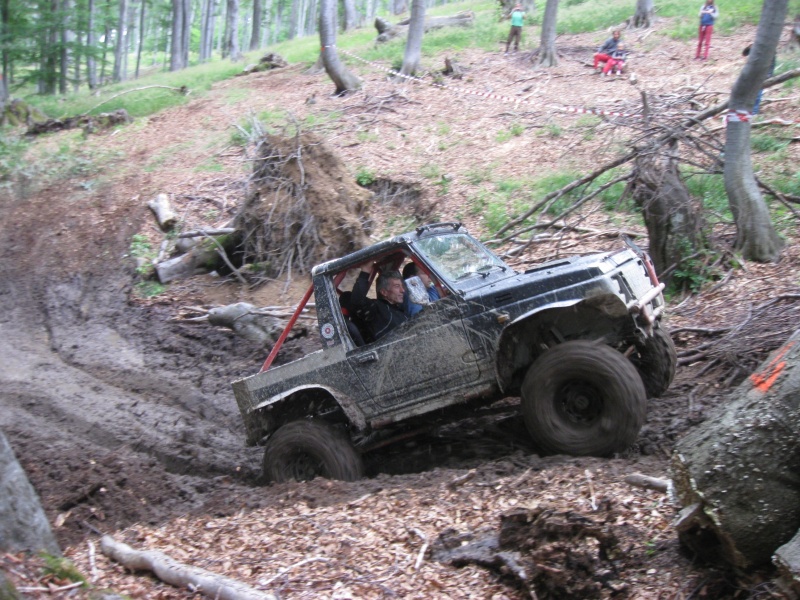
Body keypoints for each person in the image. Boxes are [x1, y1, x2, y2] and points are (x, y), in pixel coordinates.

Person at [350, 266, 408, 341]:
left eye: (402, 286)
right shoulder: (378, 309)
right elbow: (358, 301)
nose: (402, 290)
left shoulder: (396, 308)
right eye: (397, 286)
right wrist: (366, 270)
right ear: (384, 292)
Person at [742, 44, 776, 115]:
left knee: (757, 93)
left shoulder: (770, 50)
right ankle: (749, 110)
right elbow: (744, 53)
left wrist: (769, 75)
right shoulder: (757, 46)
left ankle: (754, 112)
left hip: (762, 75)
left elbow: (772, 64)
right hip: (752, 73)